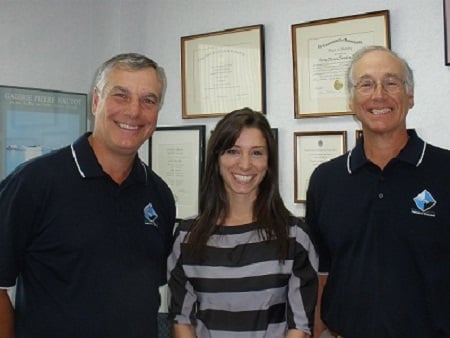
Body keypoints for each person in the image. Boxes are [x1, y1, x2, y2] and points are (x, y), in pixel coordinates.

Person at [0, 53, 176, 338]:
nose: (134, 111)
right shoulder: (34, 183)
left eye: (149, 100)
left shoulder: (159, 195)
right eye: (121, 95)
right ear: (96, 101)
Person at [306, 45, 450, 338]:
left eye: (391, 82)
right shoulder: (326, 180)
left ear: (410, 96)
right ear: (352, 100)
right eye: (366, 84)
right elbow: (322, 274)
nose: (379, 95)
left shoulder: (445, 170)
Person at [167, 108, 318, 338]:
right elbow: (182, 320)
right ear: (216, 158)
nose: (245, 165)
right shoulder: (187, 237)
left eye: (257, 153)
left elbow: (300, 326)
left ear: (269, 162)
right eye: (233, 151)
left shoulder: (295, 236)